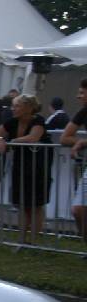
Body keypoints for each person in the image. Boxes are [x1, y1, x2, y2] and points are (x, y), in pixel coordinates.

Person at [0, 94, 53, 244]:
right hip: (20, 165)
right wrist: (0, 140)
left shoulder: (38, 121)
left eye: (17, 106)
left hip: (39, 165)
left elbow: (33, 138)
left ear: (28, 108)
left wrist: (9, 142)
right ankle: (22, 238)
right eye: (13, 105)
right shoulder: (12, 121)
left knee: (36, 203)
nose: (13, 108)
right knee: (22, 203)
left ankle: (33, 239)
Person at [62, 79, 87, 240]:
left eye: (82, 93)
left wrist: (84, 142)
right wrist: (79, 141)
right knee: (78, 210)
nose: (79, 96)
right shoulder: (83, 112)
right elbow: (65, 137)